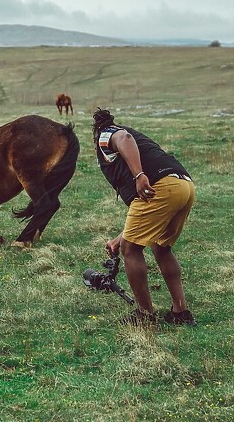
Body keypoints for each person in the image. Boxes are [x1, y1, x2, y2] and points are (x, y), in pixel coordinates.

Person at [92, 108, 197, 327]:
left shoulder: (107, 134)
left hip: (160, 187)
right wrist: (117, 239)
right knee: (160, 246)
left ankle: (145, 315)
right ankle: (180, 313)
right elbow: (145, 218)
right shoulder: (139, 138)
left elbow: (124, 138)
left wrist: (139, 176)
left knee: (130, 250)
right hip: (183, 185)